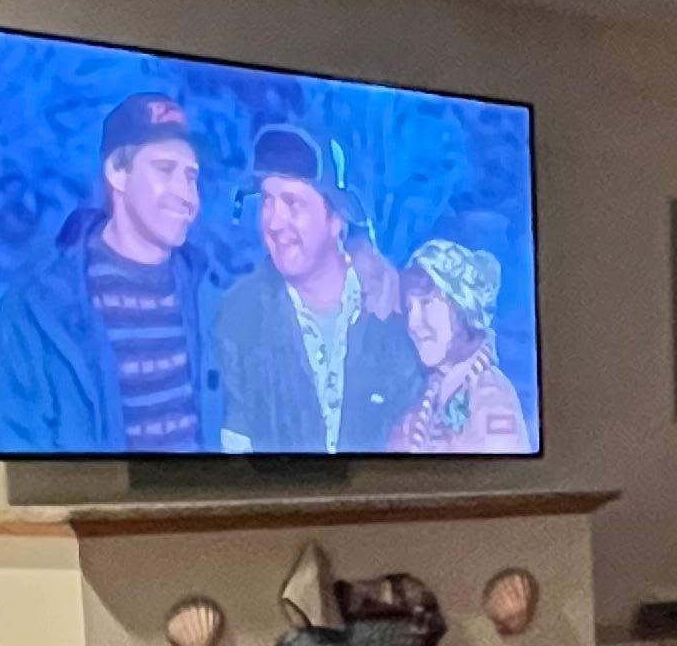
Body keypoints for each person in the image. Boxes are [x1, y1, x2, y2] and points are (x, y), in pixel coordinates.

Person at [0, 95, 229, 456]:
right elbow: (7, 457)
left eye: (191, 176)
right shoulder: (35, 312)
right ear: (117, 172)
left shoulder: (215, 296)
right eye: (165, 169)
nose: (187, 195)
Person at [212, 120, 422, 456]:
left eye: (293, 203)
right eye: (267, 200)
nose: (274, 222)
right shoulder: (239, 315)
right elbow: (233, 450)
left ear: (337, 218)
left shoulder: (394, 313)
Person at [387, 237, 532, 454]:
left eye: (427, 303)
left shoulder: (492, 401)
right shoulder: (426, 399)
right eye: (410, 308)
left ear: (462, 307)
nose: (413, 324)